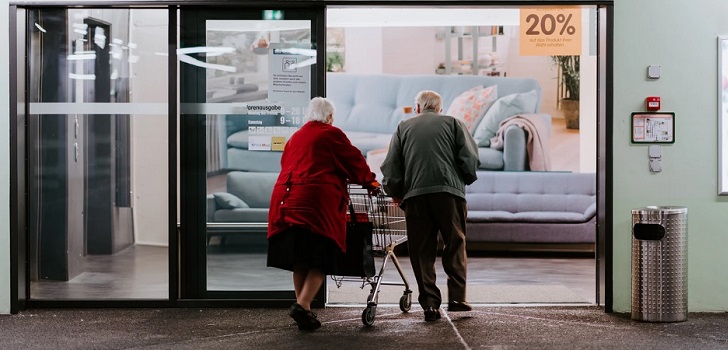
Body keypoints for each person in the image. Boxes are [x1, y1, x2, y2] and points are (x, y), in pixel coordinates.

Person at [267, 97, 380, 331]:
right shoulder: (331, 134)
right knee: (322, 256)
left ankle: (304, 310)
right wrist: (371, 183)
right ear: (329, 117)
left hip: (285, 199)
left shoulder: (296, 137)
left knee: (300, 259)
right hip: (314, 202)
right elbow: (354, 161)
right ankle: (302, 305)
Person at [380, 90, 480, 322]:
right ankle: (457, 299)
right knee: (455, 243)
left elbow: (391, 164)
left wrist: (395, 192)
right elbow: (470, 159)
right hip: (449, 194)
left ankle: (430, 305)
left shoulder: (403, 127)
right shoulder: (454, 123)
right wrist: (462, 179)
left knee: (422, 250)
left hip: (416, 196)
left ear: (417, 108)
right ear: (439, 109)